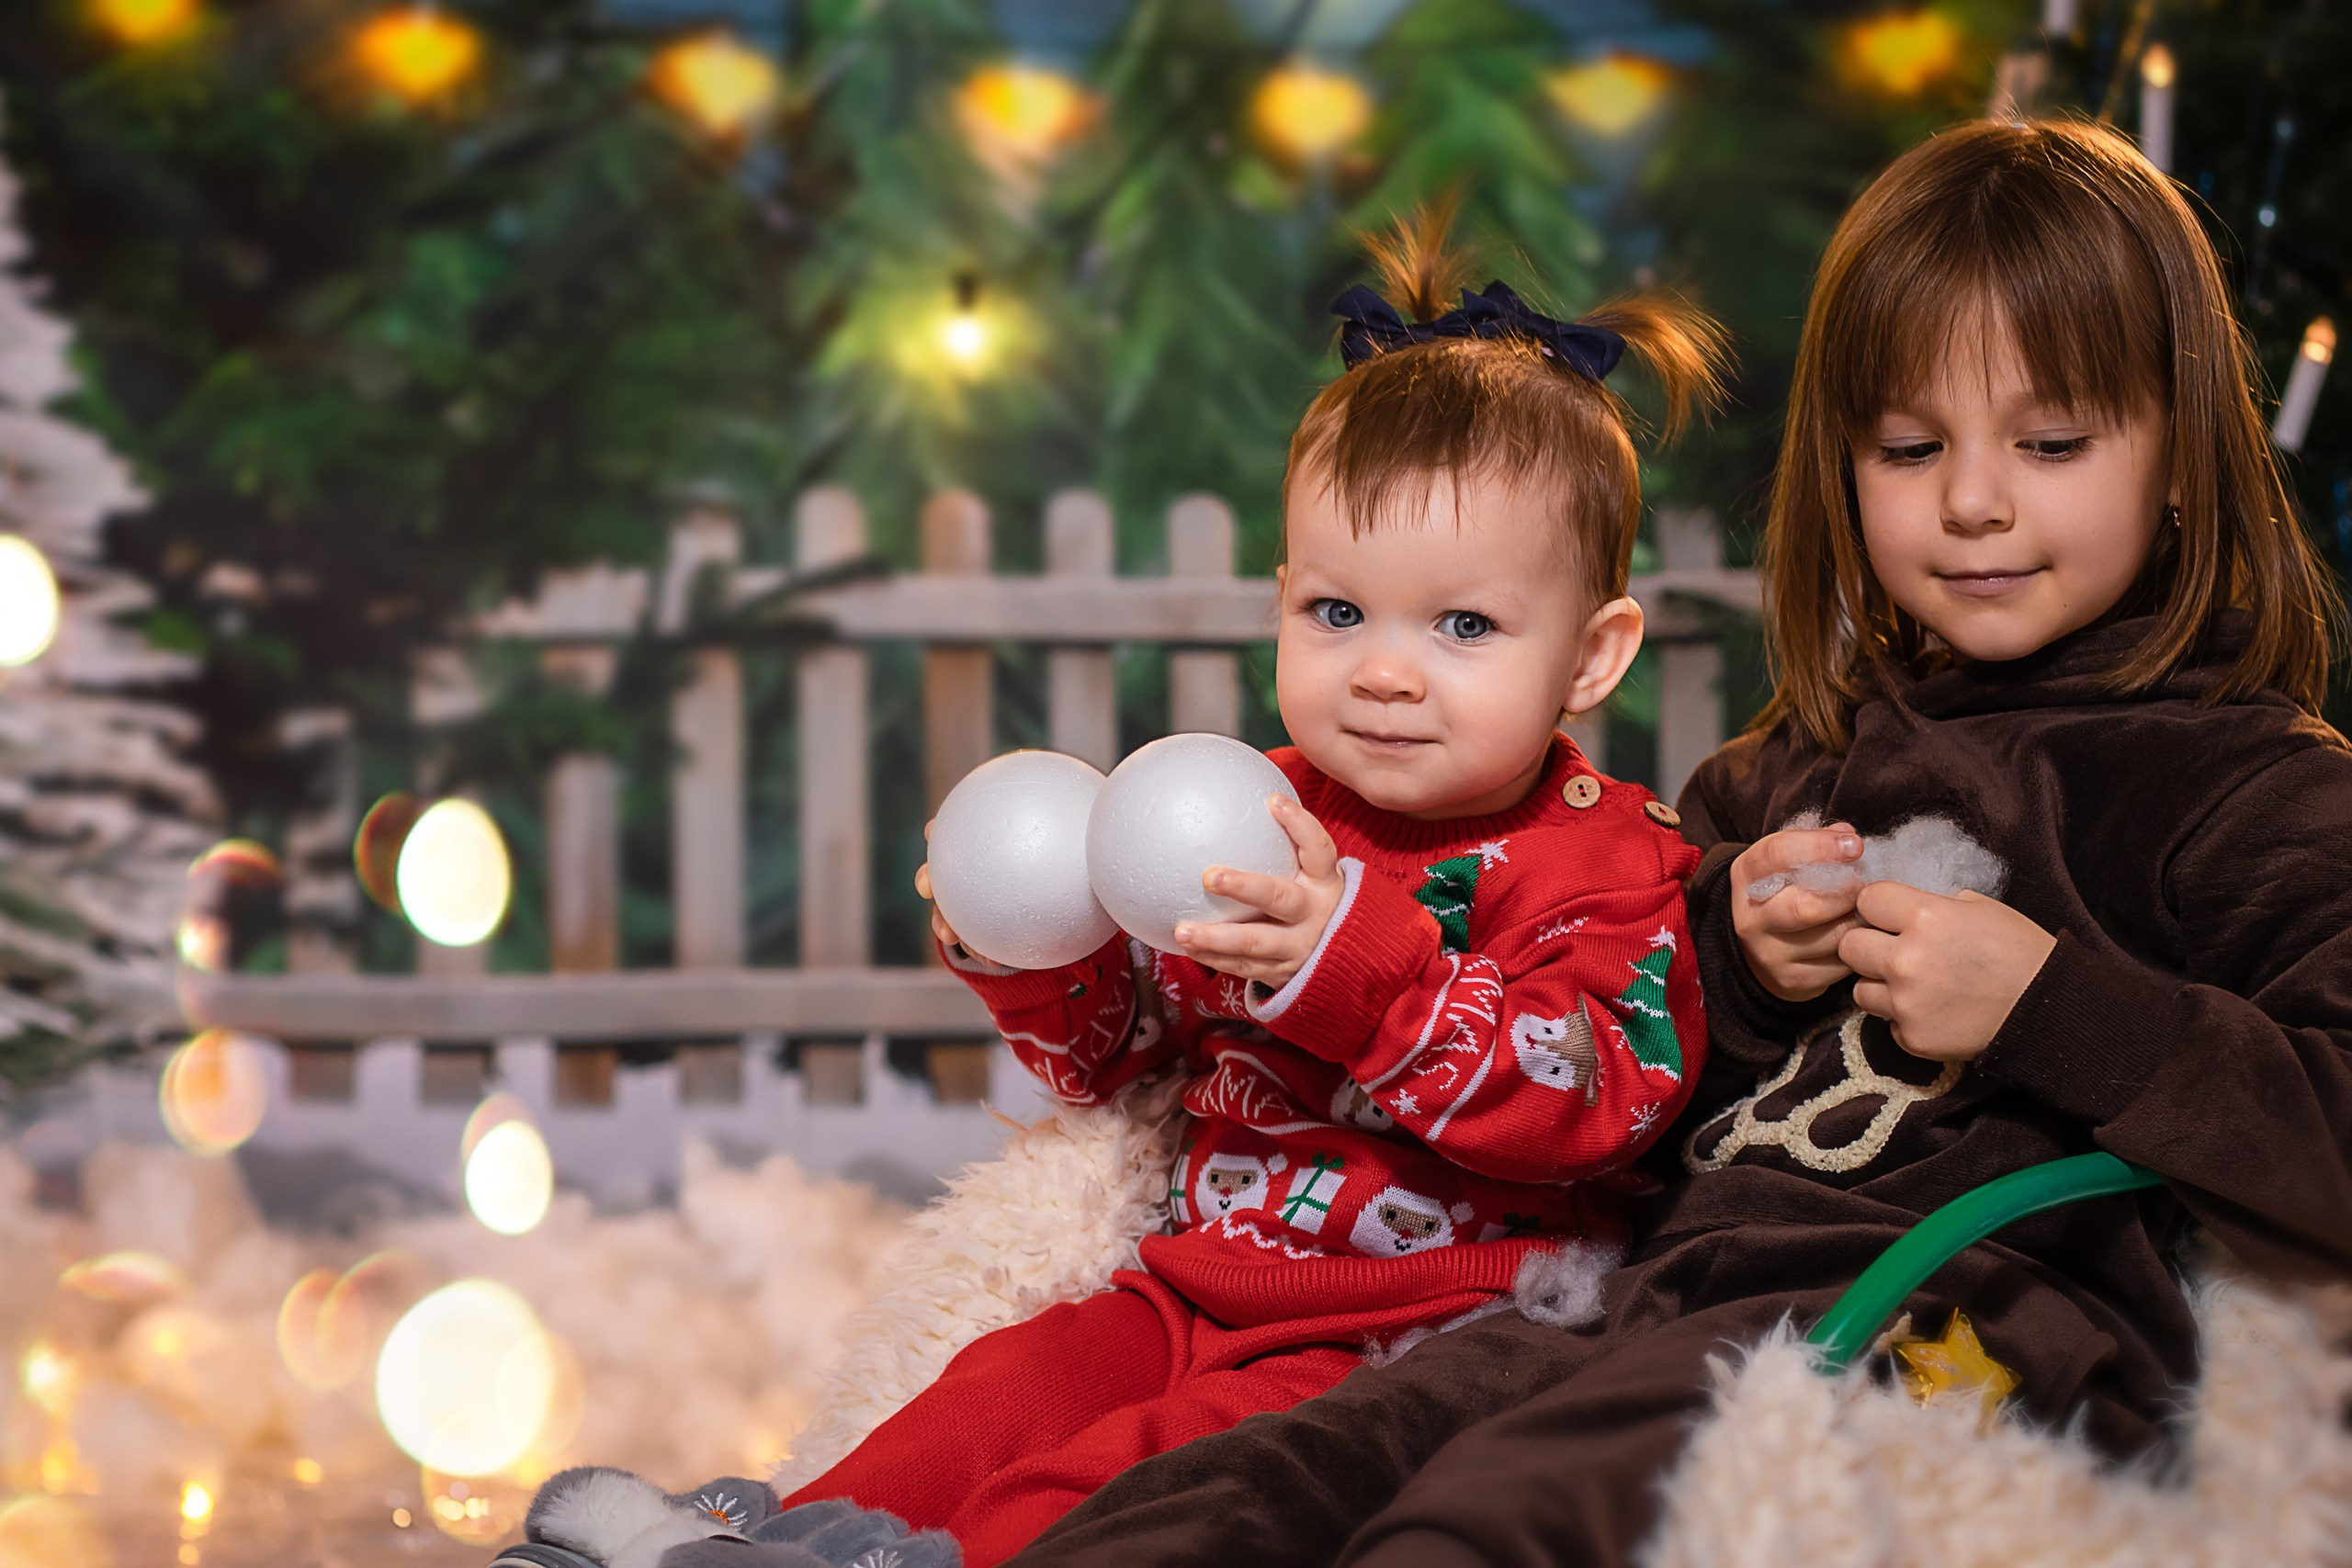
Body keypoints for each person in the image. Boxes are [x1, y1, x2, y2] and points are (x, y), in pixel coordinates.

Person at [1000, 118, 2352, 1568]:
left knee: (1494, 1519)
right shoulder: (1787, 767)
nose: (1972, 500)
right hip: (1650, 1292)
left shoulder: (2250, 790)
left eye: (2053, 442)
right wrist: (1743, 971)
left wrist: (2053, 1010)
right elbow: (1612, 1085)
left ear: (2180, 452)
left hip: (1955, 1324)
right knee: (1260, 1484)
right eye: (1909, 446)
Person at [763, 204, 1729, 1568]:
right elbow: (1131, 1061)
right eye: (1338, 613)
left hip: (1417, 1326)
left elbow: (1599, 1101)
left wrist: (1360, 966)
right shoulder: (1246, 808)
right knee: (985, 1404)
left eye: (1463, 626)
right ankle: (785, 1542)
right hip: (1196, 1279)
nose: (1386, 670)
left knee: (1120, 1484)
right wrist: (1039, 950)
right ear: (1282, 601)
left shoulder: (1603, 860)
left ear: (1591, 655)